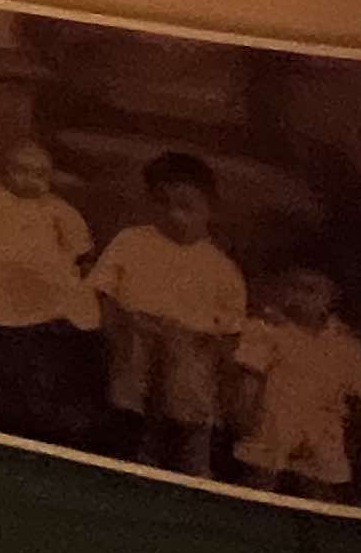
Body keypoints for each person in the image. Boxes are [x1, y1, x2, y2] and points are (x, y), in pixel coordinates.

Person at [91, 150, 246, 476]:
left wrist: (213, 360)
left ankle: (191, 467)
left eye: (187, 207)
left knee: (187, 395)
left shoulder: (221, 268)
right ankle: (136, 457)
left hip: (190, 353)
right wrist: (115, 328)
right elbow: (103, 289)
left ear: (210, 209)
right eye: (163, 204)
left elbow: (230, 332)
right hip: (135, 342)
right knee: (135, 401)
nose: (175, 216)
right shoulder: (132, 241)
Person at [0, 136, 98, 438]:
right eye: (21, 171)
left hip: (38, 275)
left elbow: (79, 249)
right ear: (3, 172)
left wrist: (72, 269)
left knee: (58, 285)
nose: (30, 180)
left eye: (40, 174)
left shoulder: (57, 209)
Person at [229, 261, 361, 502]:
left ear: (330, 298)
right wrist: (244, 419)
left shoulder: (346, 344)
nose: (301, 296)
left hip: (323, 433)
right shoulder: (265, 330)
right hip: (272, 427)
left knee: (320, 496)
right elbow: (249, 380)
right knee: (258, 488)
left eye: (312, 290)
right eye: (294, 287)